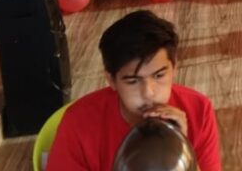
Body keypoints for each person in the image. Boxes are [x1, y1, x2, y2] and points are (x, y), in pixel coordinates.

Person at [48, 10, 221, 170]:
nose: (148, 93)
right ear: (111, 80)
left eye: (159, 75)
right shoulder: (78, 123)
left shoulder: (199, 110)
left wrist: (182, 146)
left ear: (174, 68)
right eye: (133, 81)